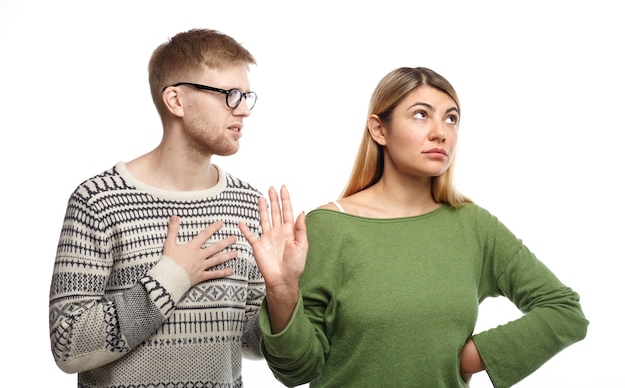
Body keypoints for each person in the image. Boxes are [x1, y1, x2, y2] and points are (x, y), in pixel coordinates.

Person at [238, 67, 589, 387]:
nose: (441, 133)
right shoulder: (329, 227)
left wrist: (477, 354)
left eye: (451, 119)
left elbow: (564, 310)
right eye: (421, 115)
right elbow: (298, 370)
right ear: (379, 129)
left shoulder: (473, 226)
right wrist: (282, 292)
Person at [49, 28, 266, 388]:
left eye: (246, 96)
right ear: (176, 101)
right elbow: (68, 344)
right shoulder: (99, 201)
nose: (243, 109)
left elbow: (249, 341)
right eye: (230, 95)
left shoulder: (247, 204)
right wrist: (172, 276)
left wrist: (284, 294)